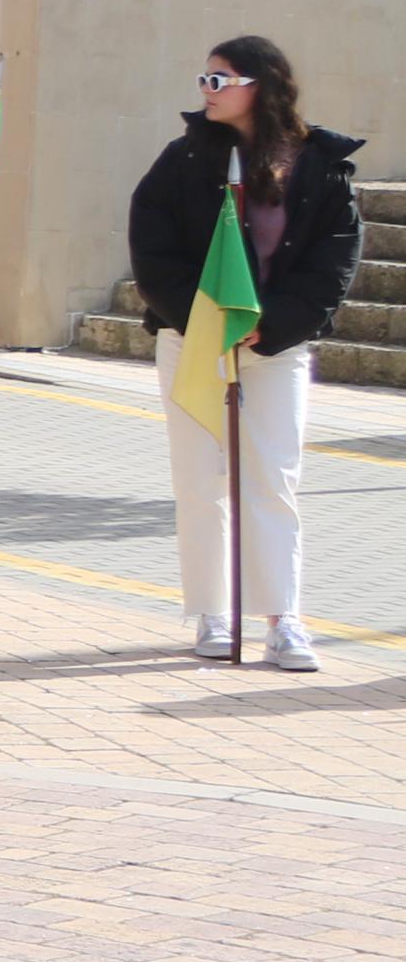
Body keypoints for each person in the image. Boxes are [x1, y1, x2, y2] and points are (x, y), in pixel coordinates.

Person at [128, 35, 364, 672]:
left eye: (219, 79)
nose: (205, 91)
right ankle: (211, 610)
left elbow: (335, 258)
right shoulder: (182, 159)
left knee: (274, 479)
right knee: (200, 480)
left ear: (261, 84)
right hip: (193, 341)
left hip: (275, 347)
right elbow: (153, 250)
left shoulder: (319, 164)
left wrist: (276, 323)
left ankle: (282, 617)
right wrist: (205, 321)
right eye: (203, 78)